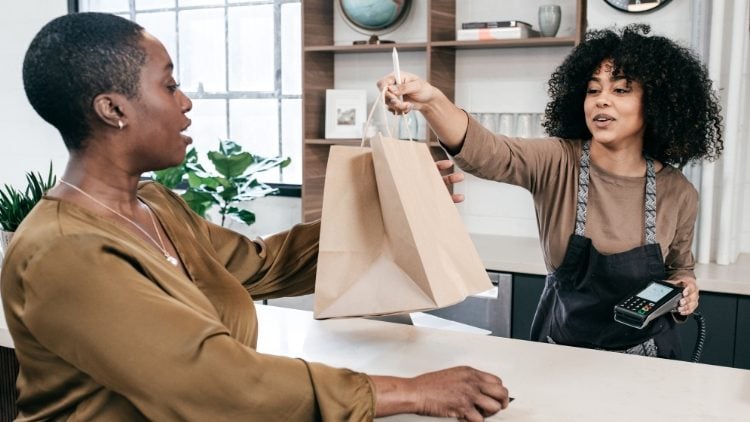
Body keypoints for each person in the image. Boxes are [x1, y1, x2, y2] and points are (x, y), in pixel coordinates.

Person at [1, 12, 509, 421]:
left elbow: (262, 265)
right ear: (113, 110)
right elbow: (213, 382)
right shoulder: (62, 251)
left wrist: (388, 204)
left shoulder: (156, 206)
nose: (186, 102)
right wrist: (408, 392)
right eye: (169, 85)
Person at [379, 24, 723, 359]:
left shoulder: (678, 192)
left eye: (620, 90)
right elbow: (488, 151)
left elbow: (680, 268)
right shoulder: (558, 161)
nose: (601, 101)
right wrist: (431, 102)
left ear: (655, 104)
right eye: (593, 90)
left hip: (648, 359)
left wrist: (686, 290)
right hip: (561, 354)